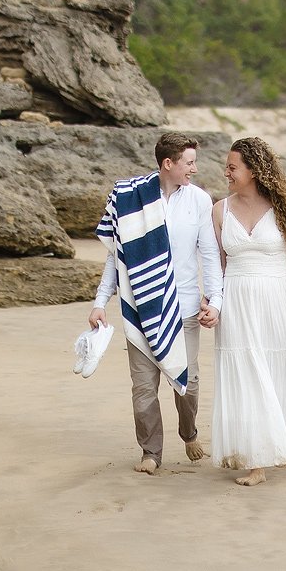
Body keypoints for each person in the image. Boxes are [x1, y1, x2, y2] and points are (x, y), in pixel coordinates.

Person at [88, 132, 222, 475]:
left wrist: (216, 300)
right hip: (141, 305)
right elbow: (118, 259)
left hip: (186, 306)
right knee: (144, 387)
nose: (194, 168)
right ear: (168, 164)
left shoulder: (199, 201)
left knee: (188, 383)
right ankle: (151, 452)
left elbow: (209, 254)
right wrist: (100, 301)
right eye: (189, 162)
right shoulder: (131, 198)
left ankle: (189, 432)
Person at [211, 136, 286, 486]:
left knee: (285, 365)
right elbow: (217, 266)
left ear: (253, 170)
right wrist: (212, 303)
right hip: (236, 302)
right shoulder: (220, 210)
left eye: (233, 167)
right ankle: (257, 461)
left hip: (277, 299)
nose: (227, 173)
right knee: (247, 374)